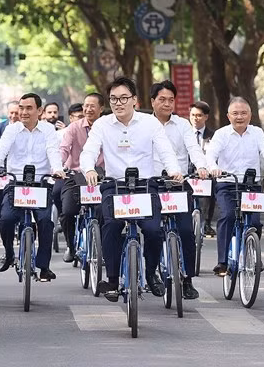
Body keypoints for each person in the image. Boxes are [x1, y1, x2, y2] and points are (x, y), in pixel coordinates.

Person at [80, 77, 182, 300]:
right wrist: (89, 169)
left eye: (124, 98)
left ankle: (151, 271)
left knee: (154, 230)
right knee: (112, 226)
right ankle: (113, 279)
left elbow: (165, 150)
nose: (119, 103)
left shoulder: (150, 123)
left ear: (134, 100)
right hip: (114, 186)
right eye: (114, 99)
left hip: (145, 186)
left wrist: (174, 170)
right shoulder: (102, 125)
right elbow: (88, 151)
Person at [0, 93, 65, 281]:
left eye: (29, 108)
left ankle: (44, 266)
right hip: (15, 184)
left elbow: (53, 151)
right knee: (6, 220)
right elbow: (0, 152)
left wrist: (57, 170)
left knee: (45, 222)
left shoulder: (48, 130)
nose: (23, 112)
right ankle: (9, 254)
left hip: (41, 185)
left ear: (39, 111)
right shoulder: (11, 130)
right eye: (21, 108)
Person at [205, 97, 264, 275]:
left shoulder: (257, 133)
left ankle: (252, 253)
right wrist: (214, 168)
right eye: (235, 113)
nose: (240, 116)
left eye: (243, 113)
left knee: (255, 222)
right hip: (227, 184)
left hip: (251, 185)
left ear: (250, 115)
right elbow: (210, 155)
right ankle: (222, 262)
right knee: (228, 216)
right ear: (228, 116)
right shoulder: (221, 134)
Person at [150, 80, 208, 299]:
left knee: (186, 231)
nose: (167, 104)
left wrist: (201, 166)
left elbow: (193, 147)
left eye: (171, 100)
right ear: (152, 101)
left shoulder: (183, 125)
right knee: (152, 231)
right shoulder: (144, 124)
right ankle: (151, 272)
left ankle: (187, 280)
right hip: (151, 185)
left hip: (178, 184)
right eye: (162, 99)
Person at [55, 93, 105, 262]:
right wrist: (57, 166)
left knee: (107, 213)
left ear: (101, 109)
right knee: (68, 212)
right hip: (75, 176)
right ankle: (71, 245)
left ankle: (103, 247)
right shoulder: (73, 128)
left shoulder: (107, 127)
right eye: (86, 105)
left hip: (102, 177)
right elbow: (64, 149)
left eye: (92, 106)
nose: (88, 109)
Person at [0, 101, 20, 231]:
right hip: (2, 167)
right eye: (11, 113)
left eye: (16, 113)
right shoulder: (0, 127)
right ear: (7, 113)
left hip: (18, 167)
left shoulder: (23, 127)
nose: (13, 116)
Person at [189, 101, 216, 237]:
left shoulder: (214, 136)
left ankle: (206, 223)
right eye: (192, 115)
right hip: (187, 174)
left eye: (199, 115)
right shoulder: (185, 133)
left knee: (209, 194)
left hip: (206, 175)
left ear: (206, 117)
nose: (195, 118)